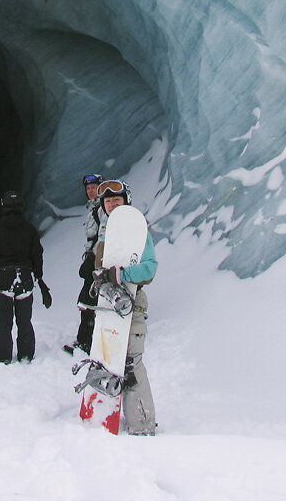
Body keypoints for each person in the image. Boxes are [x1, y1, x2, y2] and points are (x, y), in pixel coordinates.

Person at [95, 178, 158, 436]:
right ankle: (106, 414)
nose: (112, 205)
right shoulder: (105, 234)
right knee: (108, 360)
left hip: (133, 303)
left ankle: (142, 423)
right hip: (109, 305)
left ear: (126, 202)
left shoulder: (139, 233)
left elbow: (150, 268)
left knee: (130, 362)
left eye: (116, 200)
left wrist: (121, 276)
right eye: (107, 201)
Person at [0, 190, 51, 363]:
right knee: (24, 320)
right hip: (25, 277)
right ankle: (26, 355)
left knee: (4, 321)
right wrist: (38, 275)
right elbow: (37, 253)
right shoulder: (29, 229)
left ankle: (3, 356)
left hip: (3, 278)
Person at [64, 173, 104, 355]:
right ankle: (88, 340)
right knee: (89, 301)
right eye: (88, 188)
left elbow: (103, 237)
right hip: (93, 259)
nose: (90, 191)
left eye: (93, 187)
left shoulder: (103, 208)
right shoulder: (94, 208)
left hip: (97, 263)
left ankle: (85, 342)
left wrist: (92, 260)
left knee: (88, 301)